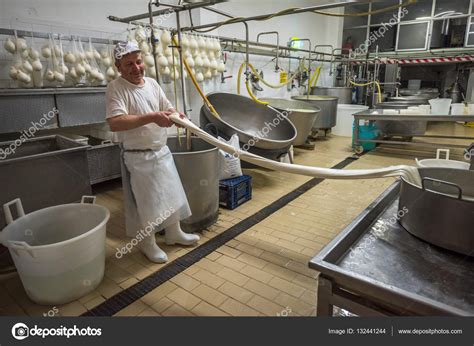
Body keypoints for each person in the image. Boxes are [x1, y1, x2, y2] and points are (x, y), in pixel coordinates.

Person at [106, 41, 199, 263]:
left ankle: (173, 233)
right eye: (129, 64)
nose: (136, 68)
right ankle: (147, 244)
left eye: (138, 61)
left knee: (171, 194)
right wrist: (152, 117)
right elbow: (115, 123)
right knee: (147, 203)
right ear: (118, 66)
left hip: (161, 151)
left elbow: (167, 107)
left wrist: (177, 116)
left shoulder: (152, 84)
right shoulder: (116, 88)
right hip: (139, 156)